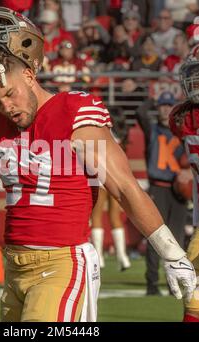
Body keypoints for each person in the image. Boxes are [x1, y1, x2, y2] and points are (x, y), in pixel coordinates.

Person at [0, 7, 196, 322]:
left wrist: (172, 254)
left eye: (10, 94)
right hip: (14, 266)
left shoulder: (74, 112)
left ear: (30, 75)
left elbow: (123, 187)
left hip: (62, 263)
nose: (6, 106)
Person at [135, 91, 189, 296]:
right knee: (156, 237)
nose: (165, 109)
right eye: (162, 106)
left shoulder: (181, 132)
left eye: (169, 106)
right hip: (158, 188)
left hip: (179, 190)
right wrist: (153, 96)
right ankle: (152, 283)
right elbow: (140, 112)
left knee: (176, 237)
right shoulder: (153, 130)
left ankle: (174, 281)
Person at [169, 43, 199, 322]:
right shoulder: (184, 117)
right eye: (196, 74)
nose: (197, 82)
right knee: (193, 297)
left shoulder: (183, 117)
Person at [91, 108, 131, 271]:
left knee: (97, 217)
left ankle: (99, 257)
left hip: (100, 176)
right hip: (116, 178)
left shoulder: (101, 134)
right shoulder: (122, 137)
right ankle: (123, 257)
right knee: (116, 217)